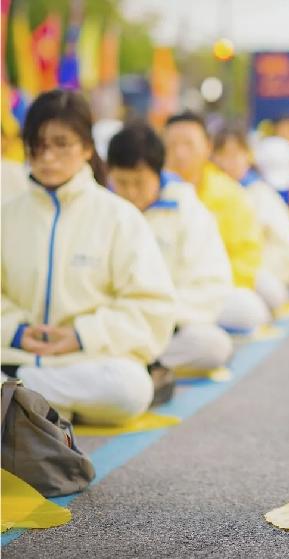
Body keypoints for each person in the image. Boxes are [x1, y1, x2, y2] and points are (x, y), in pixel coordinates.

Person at [1, 90, 175, 424]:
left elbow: (152, 307)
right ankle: (35, 405)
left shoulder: (119, 217)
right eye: (37, 145)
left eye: (61, 144)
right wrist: (16, 331)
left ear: (86, 147)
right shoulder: (6, 216)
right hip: (13, 354)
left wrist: (81, 336)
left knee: (131, 389)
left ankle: (20, 401)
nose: (48, 157)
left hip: (86, 361)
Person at [107, 122, 234, 375]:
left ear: (158, 174)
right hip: (114, 324)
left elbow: (210, 283)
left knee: (213, 345)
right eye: (122, 182)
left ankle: (131, 366)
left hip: (167, 322)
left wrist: (156, 313)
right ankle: (132, 368)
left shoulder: (186, 206)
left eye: (139, 183)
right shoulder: (104, 208)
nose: (131, 192)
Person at [163, 111, 272, 333]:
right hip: (169, 291)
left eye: (188, 144)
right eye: (172, 145)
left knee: (249, 309)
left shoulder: (229, 192)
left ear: (207, 146)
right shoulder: (155, 192)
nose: (180, 153)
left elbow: (247, 253)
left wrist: (214, 287)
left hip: (214, 288)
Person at [213, 129, 289, 292]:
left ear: (247, 156)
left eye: (237, 154)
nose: (232, 162)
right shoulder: (218, 189)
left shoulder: (257, 191)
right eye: (224, 155)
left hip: (267, 264)